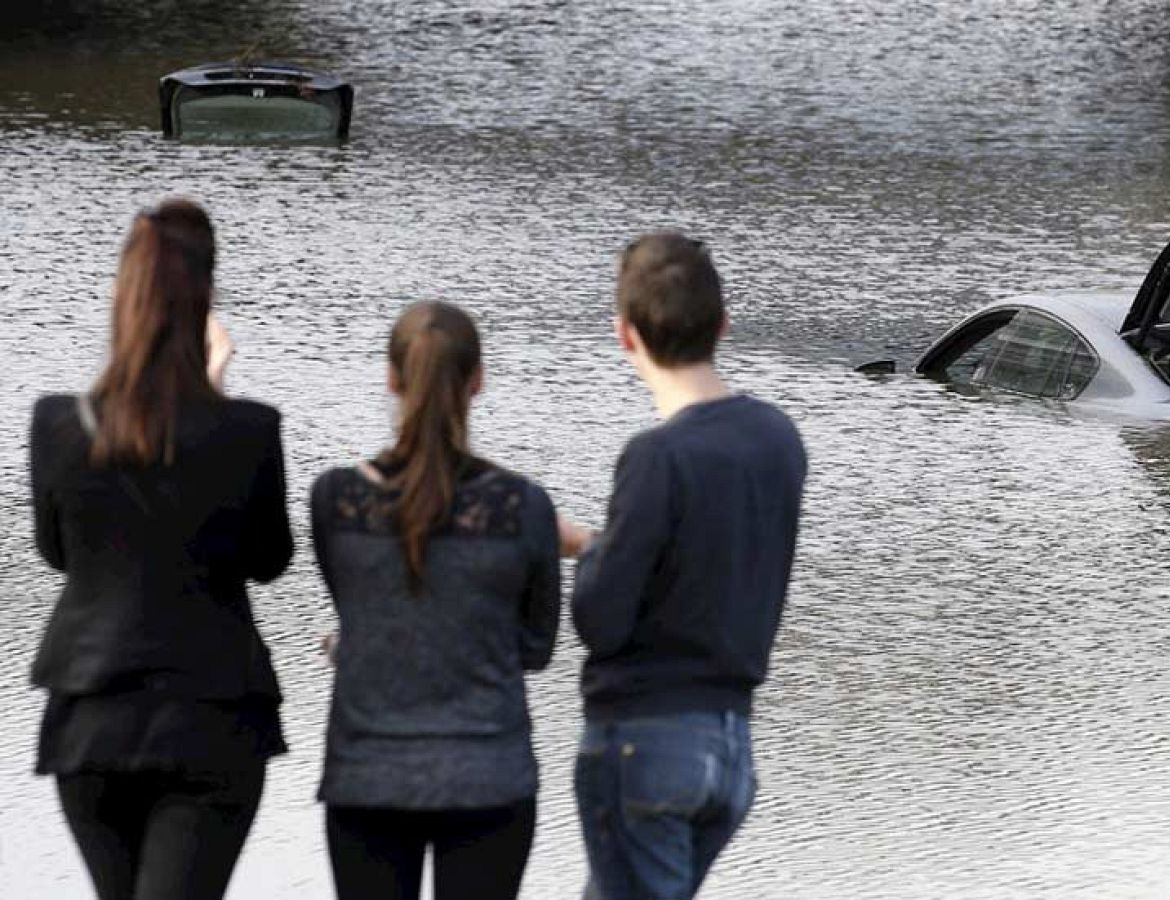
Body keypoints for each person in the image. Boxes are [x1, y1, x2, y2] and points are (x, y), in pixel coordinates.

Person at [28, 199, 292, 900]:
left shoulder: (59, 424)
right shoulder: (248, 430)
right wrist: (217, 394)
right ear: (205, 303)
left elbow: (60, 553)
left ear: (125, 298)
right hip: (211, 718)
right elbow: (268, 558)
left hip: (91, 718)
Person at [562, 232, 808, 899]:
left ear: (625, 335)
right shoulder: (777, 439)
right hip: (729, 749)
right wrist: (599, 544)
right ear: (723, 325)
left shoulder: (656, 457)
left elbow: (600, 620)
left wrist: (590, 554)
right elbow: (704, 561)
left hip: (646, 745)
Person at [311, 300, 560, 900]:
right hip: (488, 778)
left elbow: (357, 611)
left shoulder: (335, 499)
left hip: (367, 777)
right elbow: (535, 647)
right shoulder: (523, 508)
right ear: (477, 382)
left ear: (392, 379)